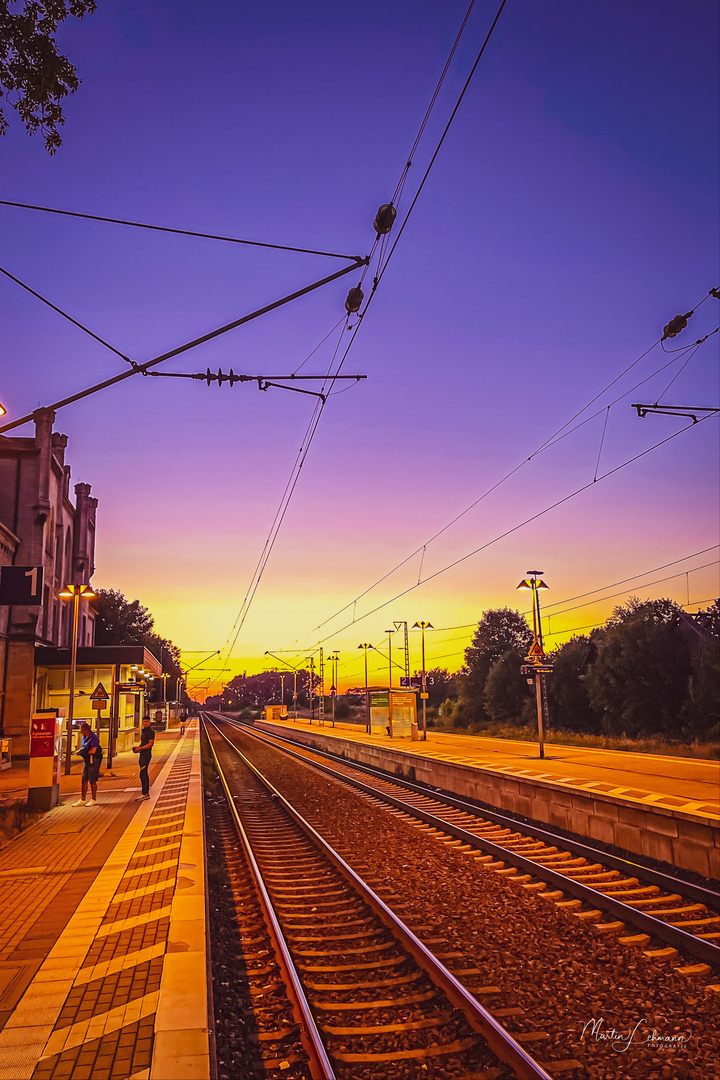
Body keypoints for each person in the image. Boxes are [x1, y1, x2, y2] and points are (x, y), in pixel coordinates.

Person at [72, 722, 102, 806]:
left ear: (87, 730)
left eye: (83, 731)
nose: (82, 733)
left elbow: (93, 750)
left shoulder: (94, 737)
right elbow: (83, 747)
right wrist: (81, 752)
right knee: (84, 779)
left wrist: (84, 752)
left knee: (92, 780)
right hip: (87, 760)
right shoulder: (83, 737)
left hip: (93, 760)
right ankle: (83, 799)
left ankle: (93, 799)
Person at [132, 715, 154, 801]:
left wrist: (140, 748)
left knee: (143, 774)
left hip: (146, 755)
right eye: (144, 721)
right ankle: (144, 793)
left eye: (147, 721)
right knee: (142, 774)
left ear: (149, 722)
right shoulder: (143, 731)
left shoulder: (150, 732)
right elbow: (143, 742)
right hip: (142, 754)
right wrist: (138, 748)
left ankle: (145, 793)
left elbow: (150, 744)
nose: (145, 723)